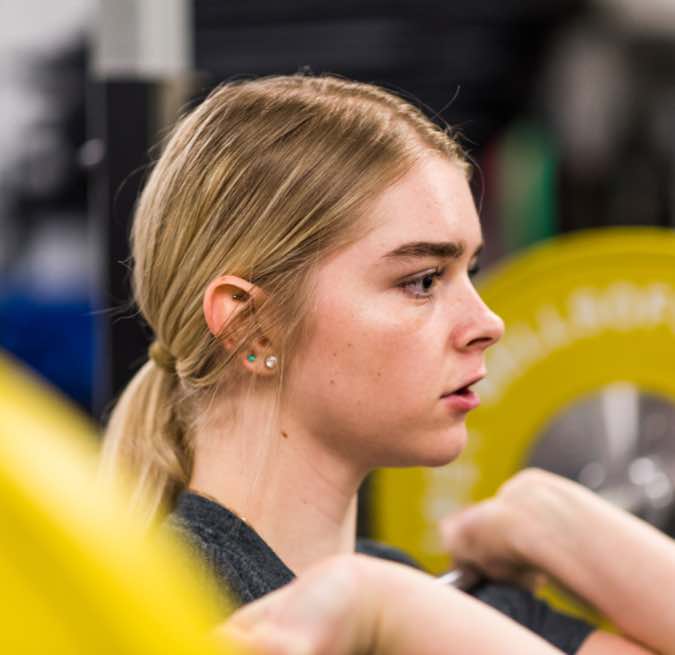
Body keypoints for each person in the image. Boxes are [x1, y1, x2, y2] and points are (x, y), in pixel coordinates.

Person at [99, 74, 652, 654]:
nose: (488, 323)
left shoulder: (415, 592)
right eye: (422, 281)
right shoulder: (173, 606)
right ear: (248, 325)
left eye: (472, 272)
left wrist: (554, 522)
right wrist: (388, 610)